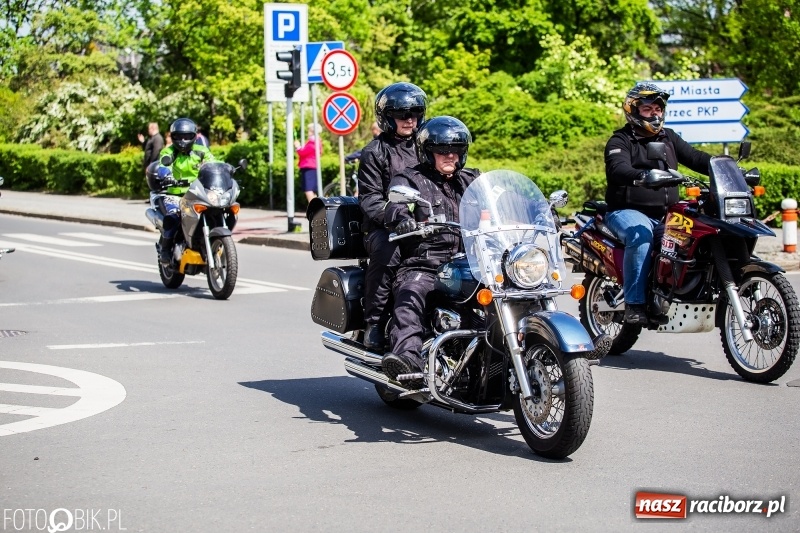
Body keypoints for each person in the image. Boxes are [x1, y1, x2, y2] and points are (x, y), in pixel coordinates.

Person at [381, 116, 480, 385]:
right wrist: (404, 219)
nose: (450, 155)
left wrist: (540, 214)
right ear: (428, 152)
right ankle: (408, 359)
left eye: (456, 150)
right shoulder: (410, 179)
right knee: (409, 295)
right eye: (442, 150)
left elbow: (501, 197)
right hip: (426, 263)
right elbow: (395, 205)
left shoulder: (472, 179)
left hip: (469, 262)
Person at [604, 82, 711, 325]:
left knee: (693, 236)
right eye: (648, 109)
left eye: (658, 109)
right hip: (627, 211)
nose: (655, 114)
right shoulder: (620, 140)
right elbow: (618, 168)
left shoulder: (669, 137)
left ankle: (673, 294)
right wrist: (641, 175)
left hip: (666, 214)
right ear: (633, 111)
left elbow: (695, 157)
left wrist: (725, 166)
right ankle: (634, 304)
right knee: (641, 236)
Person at [358, 82, 428, 351]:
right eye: (402, 115)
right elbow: (370, 199)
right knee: (391, 250)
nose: (409, 120)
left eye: (414, 113)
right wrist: (398, 219)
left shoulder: (429, 145)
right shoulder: (375, 151)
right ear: (388, 117)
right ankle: (374, 322)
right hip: (383, 226)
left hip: (425, 222)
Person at [153, 117, 215, 264]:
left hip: (197, 192)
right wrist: (166, 174)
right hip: (175, 194)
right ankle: (165, 250)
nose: (183, 140)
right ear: (173, 137)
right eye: (179, 136)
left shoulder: (201, 151)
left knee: (215, 209)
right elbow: (163, 165)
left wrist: (227, 170)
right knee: (174, 217)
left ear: (194, 136)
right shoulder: (169, 151)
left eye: (187, 136)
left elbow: (213, 163)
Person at [295, 122, 323, 203]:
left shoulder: (313, 143)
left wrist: (298, 146)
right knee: (312, 190)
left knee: (308, 189)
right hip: (312, 167)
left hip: (309, 167)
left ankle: (314, 210)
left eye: (309, 130)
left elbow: (303, 152)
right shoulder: (316, 142)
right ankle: (316, 209)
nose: (308, 132)